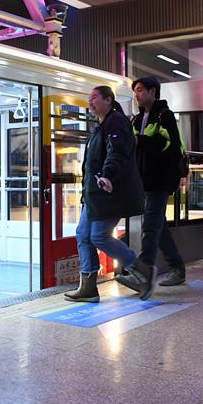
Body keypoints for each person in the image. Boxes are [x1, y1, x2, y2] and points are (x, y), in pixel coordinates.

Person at [64, 85, 145, 302]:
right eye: (89, 98)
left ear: (108, 99)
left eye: (94, 98)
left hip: (109, 194)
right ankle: (88, 287)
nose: (90, 102)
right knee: (83, 235)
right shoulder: (101, 125)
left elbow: (117, 152)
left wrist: (107, 175)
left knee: (99, 236)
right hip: (94, 194)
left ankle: (142, 271)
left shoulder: (116, 121)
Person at [114, 76, 186, 300]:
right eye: (135, 91)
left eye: (140, 90)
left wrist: (140, 140)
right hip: (144, 180)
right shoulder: (137, 119)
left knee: (151, 227)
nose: (137, 95)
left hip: (160, 180)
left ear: (153, 91)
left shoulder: (164, 115)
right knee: (158, 226)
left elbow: (170, 144)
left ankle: (143, 274)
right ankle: (177, 267)